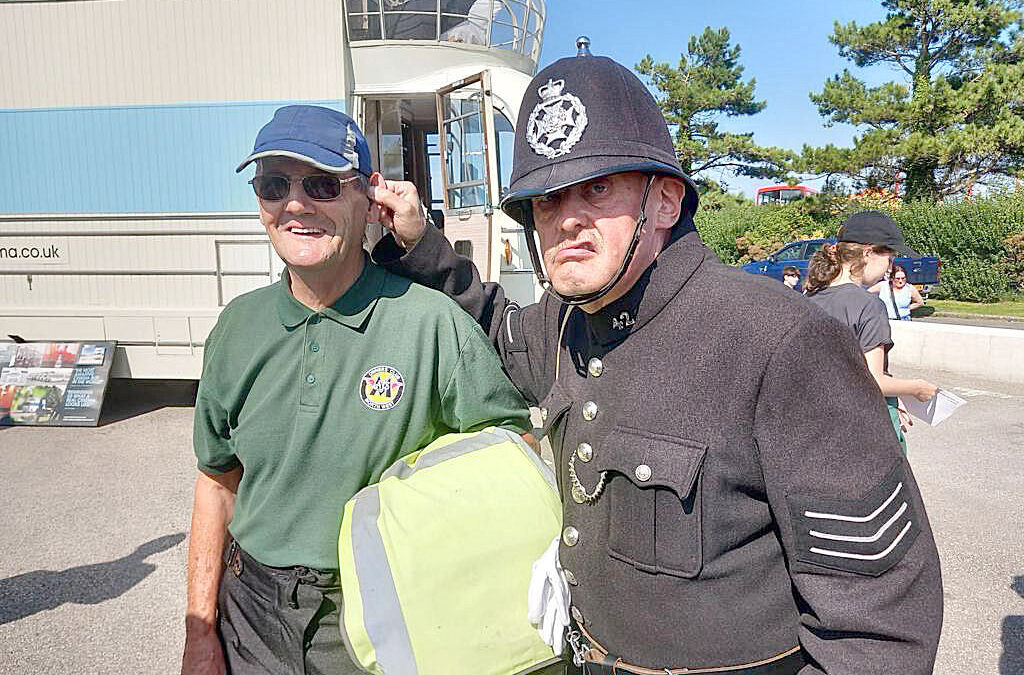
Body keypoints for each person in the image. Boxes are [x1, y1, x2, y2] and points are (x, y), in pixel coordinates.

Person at [369, 49, 943, 674]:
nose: (567, 221)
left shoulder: (777, 339)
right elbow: (493, 322)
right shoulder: (565, 326)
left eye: (597, 188)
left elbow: (878, 620)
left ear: (666, 202)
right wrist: (418, 242)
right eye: (546, 202)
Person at [180, 105, 531, 675]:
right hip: (249, 611)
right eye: (274, 185)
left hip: (380, 613)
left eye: (321, 184)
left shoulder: (430, 322)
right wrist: (199, 633)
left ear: (370, 199)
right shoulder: (236, 328)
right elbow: (217, 481)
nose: (296, 205)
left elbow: (512, 459)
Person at [804, 212, 939, 453]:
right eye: (889, 259)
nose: (889, 268)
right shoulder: (868, 305)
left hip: (815, 425)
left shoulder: (809, 297)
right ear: (868, 254)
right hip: (858, 432)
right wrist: (916, 388)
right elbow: (872, 381)